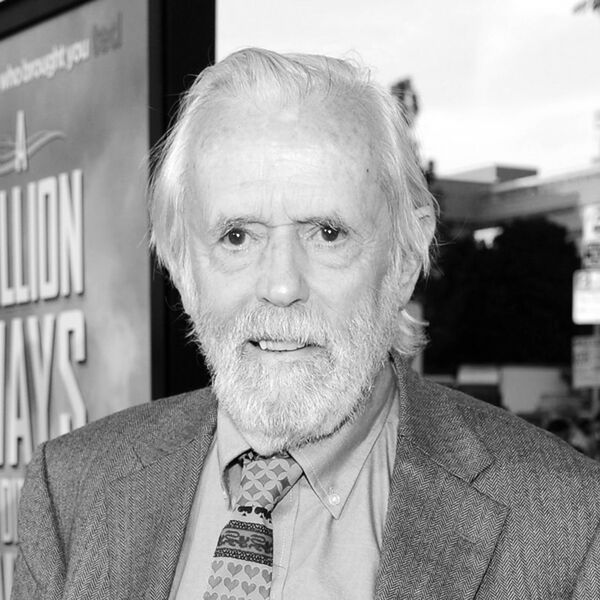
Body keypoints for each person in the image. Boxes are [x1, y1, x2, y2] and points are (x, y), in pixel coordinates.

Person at [12, 48, 600, 600]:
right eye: (237, 236)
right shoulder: (71, 491)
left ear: (404, 256)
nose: (281, 286)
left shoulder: (566, 523)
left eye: (327, 233)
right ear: (179, 261)